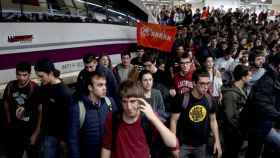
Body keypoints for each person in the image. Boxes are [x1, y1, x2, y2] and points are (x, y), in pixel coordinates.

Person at [101, 80, 178, 158]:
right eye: (125, 102)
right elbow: (106, 148)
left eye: (132, 101)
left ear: (140, 101)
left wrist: (153, 117)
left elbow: (173, 143)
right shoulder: (113, 118)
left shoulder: (148, 118)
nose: (129, 107)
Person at [170, 68, 222, 158]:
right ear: (194, 83)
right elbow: (173, 121)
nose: (206, 87)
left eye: (207, 83)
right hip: (183, 144)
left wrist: (217, 141)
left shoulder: (210, 100)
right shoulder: (181, 99)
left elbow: (213, 120)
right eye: (202, 83)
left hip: (201, 145)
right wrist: (174, 145)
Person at [68, 72, 117, 158]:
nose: (104, 88)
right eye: (100, 85)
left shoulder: (110, 102)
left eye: (105, 85)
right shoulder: (78, 108)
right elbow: (73, 140)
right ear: (90, 87)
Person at [34, 59, 74, 158]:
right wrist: (24, 107)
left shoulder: (64, 92)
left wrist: (64, 140)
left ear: (50, 73)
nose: (40, 79)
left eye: (41, 76)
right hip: (44, 133)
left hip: (55, 136)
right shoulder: (45, 86)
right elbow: (36, 98)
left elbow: (68, 118)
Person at [246, 53, 280, 158]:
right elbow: (261, 103)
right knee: (254, 151)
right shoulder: (267, 80)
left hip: (269, 123)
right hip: (260, 124)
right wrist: (278, 115)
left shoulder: (275, 77)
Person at [3, 62, 39, 158]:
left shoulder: (34, 88)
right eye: (19, 74)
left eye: (24, 75)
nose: (21, 78)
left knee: (32, 154)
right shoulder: (11, 85)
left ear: (29, 74)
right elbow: (6, 103)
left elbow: (41, 112)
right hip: (14, 130)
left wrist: (36, 133)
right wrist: (8, 122)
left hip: (29, 131)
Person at [221, 65, 251, 158]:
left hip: (238, 130)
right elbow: (230, 117)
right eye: (249, 75)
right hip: (232, 132)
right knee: (231, 153)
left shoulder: (244, 88)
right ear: (243, 77)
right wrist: (240, 130)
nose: (251, 78)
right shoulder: (230, 94)